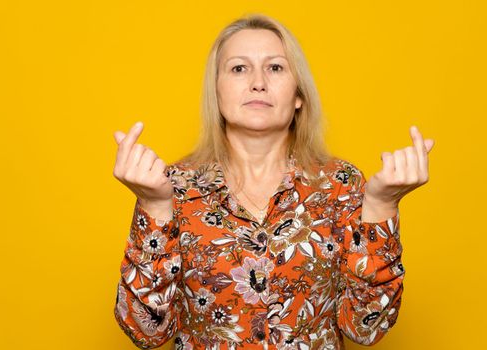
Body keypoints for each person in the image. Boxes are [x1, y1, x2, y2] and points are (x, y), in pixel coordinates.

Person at [112, 14, 434, 350]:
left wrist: (382, 207)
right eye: (239, 68)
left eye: (276, 68)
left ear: (298, 95)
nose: (258, 82)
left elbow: (366, 328)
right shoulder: (172, 187)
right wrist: (152, 207)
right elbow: (146, 333)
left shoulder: (341, 184)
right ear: (216, 92)